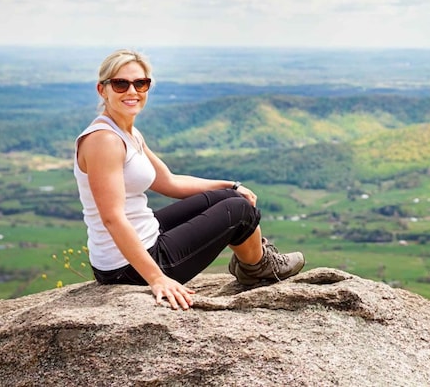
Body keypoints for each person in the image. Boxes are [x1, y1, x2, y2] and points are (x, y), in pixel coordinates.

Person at [74, 49, 304, 310]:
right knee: (239, 211)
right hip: (127, 268)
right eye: (120, 83)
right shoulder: (104, 141)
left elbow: (169, 182)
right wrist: (157, 278)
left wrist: (229, 185)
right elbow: (112, 218)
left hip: (144, 239)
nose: (132, 91)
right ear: (102, 89)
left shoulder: (128, 133)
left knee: (231, 198)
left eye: (140, 83)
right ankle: (258, 267)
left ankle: (253, 260)